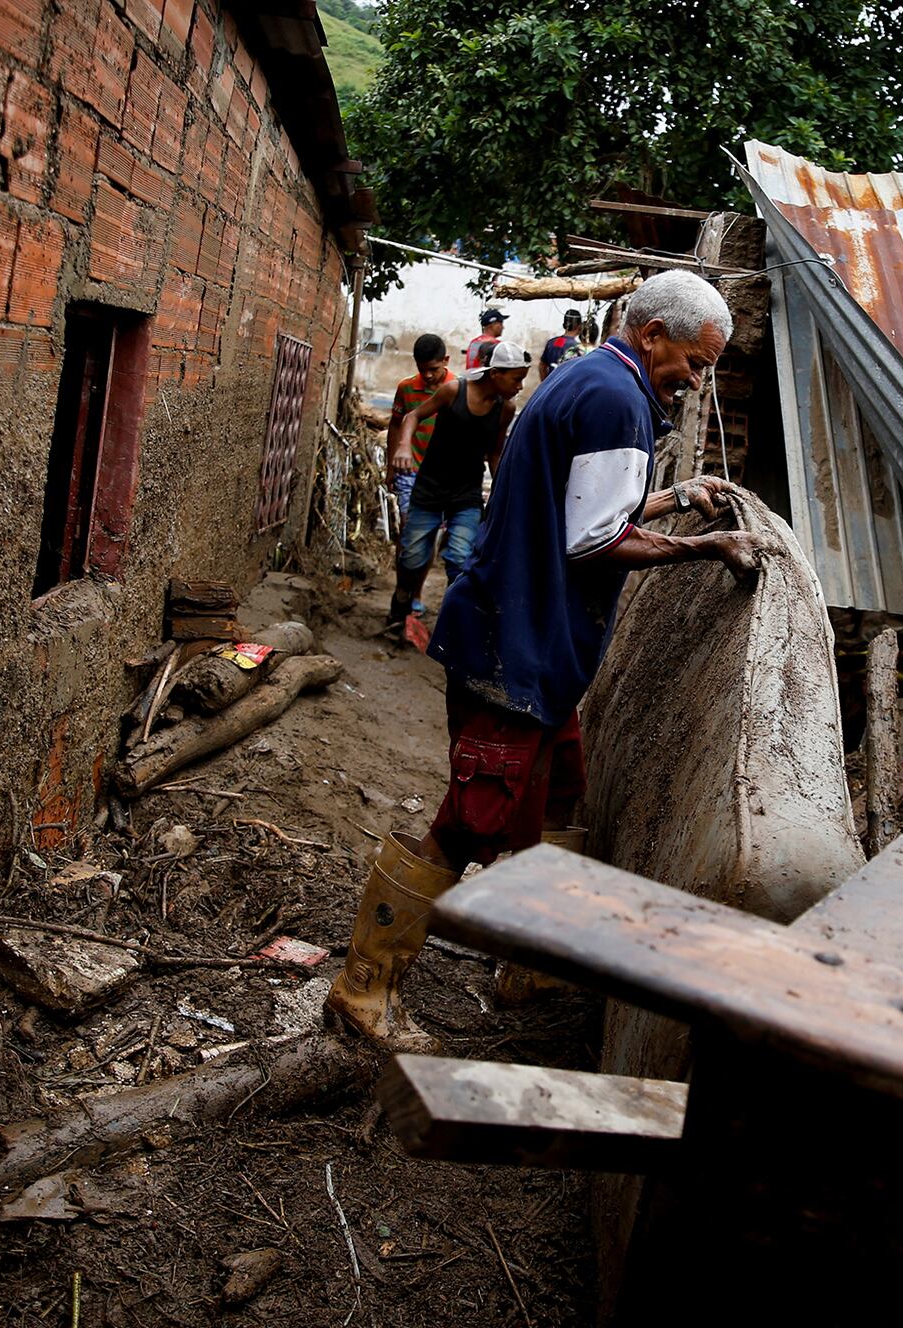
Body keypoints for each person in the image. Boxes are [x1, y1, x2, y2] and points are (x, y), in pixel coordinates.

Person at [326, 270, 766, 1050]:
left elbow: (581, 504)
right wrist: (707, 547)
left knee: (562, 795)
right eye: (694, 364)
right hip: (519, 646)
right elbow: (595, 539)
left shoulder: (592, 378)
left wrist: (673, 496)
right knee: (471, 820)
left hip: (530, 636)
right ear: (652, 332)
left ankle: (528, 961)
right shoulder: (617, 400)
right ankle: (365, 989)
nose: (697, 383)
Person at [382, 340, 533, 638]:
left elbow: (494, 453)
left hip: (466, 494)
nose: (520, 386)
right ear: (495, 374)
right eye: (516, 378)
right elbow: (412, 416)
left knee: (459, 560)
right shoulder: (455, 391)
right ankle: (399, 606)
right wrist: (402, 448)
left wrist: (504, 488)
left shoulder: (506, 409)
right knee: (412, 557)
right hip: (429, 487)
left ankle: (453, 629)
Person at [384, 336, 456, 626]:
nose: (428, 375)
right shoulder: (406, 388)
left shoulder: (456, 389)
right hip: (409, 472)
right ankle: (402, 591)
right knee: (409, 531)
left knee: (428, 536)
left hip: (440, 477)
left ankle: (415, 594)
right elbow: (395, 424)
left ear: (446, 362)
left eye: (434, 369)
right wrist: (392, 464)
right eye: (422, 368)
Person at [539, 308, 584, 377]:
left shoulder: (552, 342)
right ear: (579, 326)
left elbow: (542, 366)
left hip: (551, 384)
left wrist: (545, 383)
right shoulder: (577, 348)